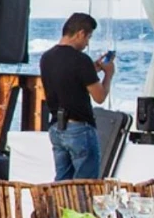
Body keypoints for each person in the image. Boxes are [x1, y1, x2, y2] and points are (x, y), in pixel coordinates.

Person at [40, 12, 114, 180]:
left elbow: (67, 79)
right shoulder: (81, 60)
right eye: (88, 38)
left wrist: (92, 70)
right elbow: (99, 96)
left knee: (62, 183)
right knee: (85, 184)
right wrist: (108, 74)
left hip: (56, 126)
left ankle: (59, 207)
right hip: (79, 127)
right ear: (80, 33)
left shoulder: (47, 57)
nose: (87, 43)